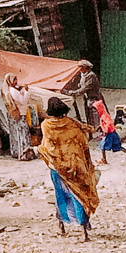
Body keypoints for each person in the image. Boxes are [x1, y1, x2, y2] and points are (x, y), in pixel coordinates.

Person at [36, 96, 100, 240]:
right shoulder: (71, 123)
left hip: (58, 167)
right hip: (76, 165)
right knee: (80, 195)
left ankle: (62, 226)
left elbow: (48, 146)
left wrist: (39, 150)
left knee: (61, 195)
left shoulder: (46, 125)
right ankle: (84, 230)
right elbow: (85, 132)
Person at [92, 97, 126, 167]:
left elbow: (108, 124)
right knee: (118, 147)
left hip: (109, 134)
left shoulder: (104, 116)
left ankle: (104, 160)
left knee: (102, 146)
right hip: (113, 133)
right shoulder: (105, 115)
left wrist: (105, 130)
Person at [0, 72, 33, 160]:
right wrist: (26, 92)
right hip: (19, 114)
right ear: (10, 81)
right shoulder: (13, 91)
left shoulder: (9, 90)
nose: (16, 81)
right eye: (14, 79)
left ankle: (17, 152)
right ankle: (24, 153)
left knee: (16, 134)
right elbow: (22, 100)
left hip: (14, 114)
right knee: (22, 134)